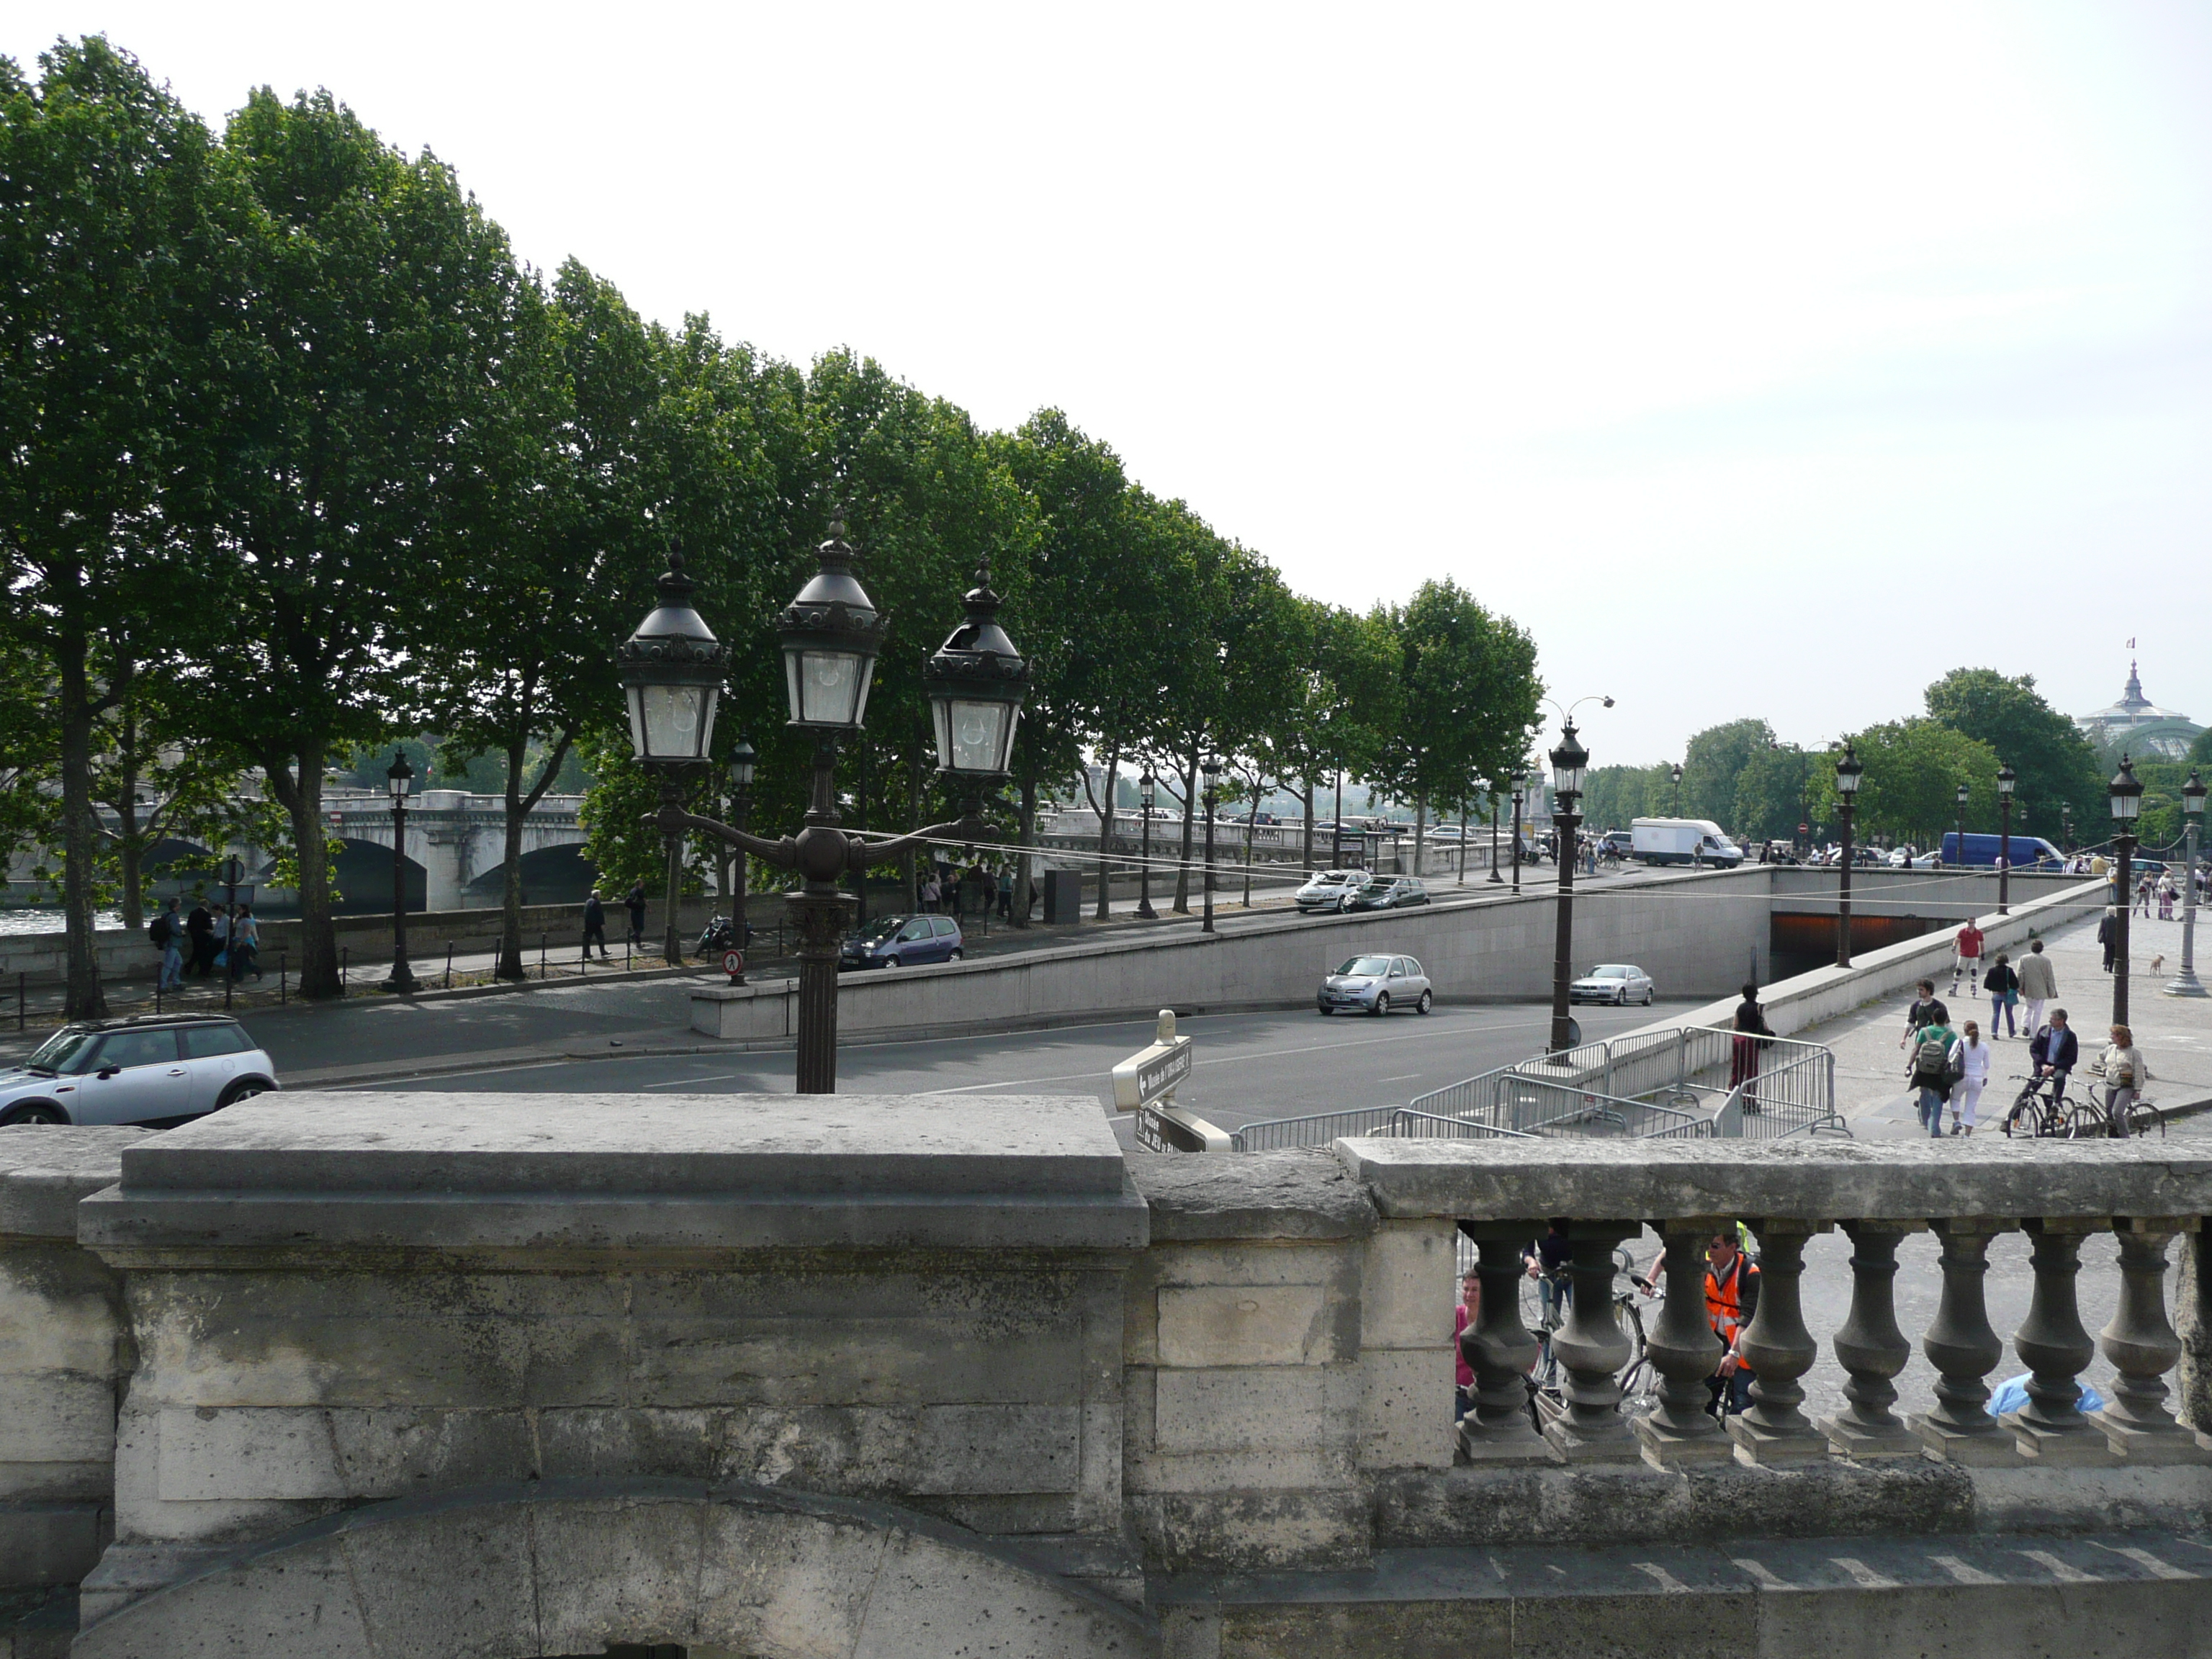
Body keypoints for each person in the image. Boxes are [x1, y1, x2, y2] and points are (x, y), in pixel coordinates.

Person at [1703, 1231, 1759, 1417]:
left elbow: (1748, 1315)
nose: (1710, 1250)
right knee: (1703, 1398)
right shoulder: (1707, 1269)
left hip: (1742, 1348)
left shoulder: (1750, 1273)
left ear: (1733, 1247)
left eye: (1715, 1246)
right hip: (1717, 1342)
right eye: (1708, 1245)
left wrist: (1734, 1353)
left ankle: (1736, 1440)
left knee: (1743, 1404)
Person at [1907, 1011, 1959, 1138]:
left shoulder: (1924, 1031)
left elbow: (1916, 1049)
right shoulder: (1951, 1035)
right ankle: (1934, 1129)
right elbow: (1954, 1055)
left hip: (1924, 1070)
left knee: (1924, 1093)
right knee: (1938, 1099)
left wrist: (1909, 1066)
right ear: (1947, 1019)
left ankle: (1925, 1121)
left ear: (1933, 1017)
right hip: (1940, 1071)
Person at [2098, 1023, 2152, 1136]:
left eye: (2114, 1034)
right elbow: (2101, 1058)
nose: (2111, 1037)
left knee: (2117, 1112)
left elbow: (2139, 1071)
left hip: (2126, 1086)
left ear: (2121, 1037)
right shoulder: (2110, 1049)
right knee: (2109, 1114)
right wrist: (2104, 1070)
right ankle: (2112, 1137)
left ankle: (2124, 1137)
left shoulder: (2134, 1053)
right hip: (2111, 1084)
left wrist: (2138, 1089)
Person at [1729, 981, 1770, 1113]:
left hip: (1737, 1039)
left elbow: (1735, 1025)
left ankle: (1733, 1097)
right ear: (1756, 994)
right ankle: (1749, 1100)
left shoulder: (1740, 1007)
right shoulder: (1759, 1008)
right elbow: (1764, 1026)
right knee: (1751, 1070)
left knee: (1737, 1068)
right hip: (1750, 1040)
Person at [1948, 1019, 1990, 1136]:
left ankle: (1956, 1121)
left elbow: (1951, 1058)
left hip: (1962, 1077)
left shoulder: (1959, 1043)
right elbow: (1986, 1065)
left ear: (1964, 1031)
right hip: (1977, 1079)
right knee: (1971, 1107)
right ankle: (1967, 1135)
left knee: (1955, 1098)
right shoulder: (1984, 1046)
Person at [2028, 1007, 2079, 1097]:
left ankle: (2055, 1103)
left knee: (2059, 1079)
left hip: (2059, 1066)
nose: (2050, 1021)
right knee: (2028, 1090)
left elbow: (2072, 1058)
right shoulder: (2044, 1031)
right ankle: (2018, 1108)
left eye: (2053, 1019)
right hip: (2043, 1064)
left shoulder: (2070, 1036)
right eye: (2050, 1018)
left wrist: (2054, 1067)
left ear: (2061, 1021)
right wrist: (2042, 1065)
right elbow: (2034, 1048)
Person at [1453, 1268, 1480, 1422]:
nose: (1469, 1295)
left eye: (1475, 1290)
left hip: (1485, 1398)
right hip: (1459, 1396)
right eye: (1466, 1289)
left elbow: (1534, 1343)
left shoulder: (1492, 1319)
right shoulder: (1455, 1316)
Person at [2016, 938, 2057, 1035]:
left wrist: (2020, 988)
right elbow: (2050, 977)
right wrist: (2051, 991)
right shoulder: (2046, 961)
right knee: (2037, 1012)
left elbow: (2020, 974)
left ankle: (2025, 1025)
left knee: (2028, 1006)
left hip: (2028, 988)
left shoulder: (2024, 959)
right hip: (2041, 989)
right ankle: (2033, 1033)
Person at [1899, 980, 1948, 1049]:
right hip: (1920, 1038)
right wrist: (1904, 1039)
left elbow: (1947, 1024)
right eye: (1918, 989)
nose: (1919, 992)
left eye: (1921, 990)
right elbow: (1910, 1023)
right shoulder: (1915, 1005)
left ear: (1929, 991)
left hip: (1937, 1040)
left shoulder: (1939, 1006)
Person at [151, 896, 186, 992]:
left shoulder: (165, 915)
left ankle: (176, 982)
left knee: (178, 962)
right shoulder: (174, 916)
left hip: (166, 942)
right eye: (179, 905)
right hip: (172, 943)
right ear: (176, 906)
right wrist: (181, 933)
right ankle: (163, 985)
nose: (180, 907)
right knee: (168, 965)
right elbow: (175, 930)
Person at [1981, 952, 2018, 1038]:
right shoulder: (2009, 971)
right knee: (2009, 1014)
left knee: (1996, 1013)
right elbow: (2016, 984)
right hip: (2007, 994)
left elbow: (1986, 985)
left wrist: (1993, 989)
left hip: (1996, 994)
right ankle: (2011, 1032)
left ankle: (1994, 1032)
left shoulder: (1991, 970)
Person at [185, 896, 217, 978]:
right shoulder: (206, 914)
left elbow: (189, 925)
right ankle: (201, 971)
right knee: (204, 954)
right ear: (206, 905)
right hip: (204, 937)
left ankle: (189, 967)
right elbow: (209, 926)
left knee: (197, 952)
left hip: (195, 936)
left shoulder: (193, 912)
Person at [1951, 920, 1984, 996]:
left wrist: (1983, 953)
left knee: (1974, 971)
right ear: (1967, 923)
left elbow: (1981, 943)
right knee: (1959, 971)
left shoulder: (1979, 933)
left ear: (1975, 923)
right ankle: (1954, 987)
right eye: (1970, 923)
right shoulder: (1963, 932)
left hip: (1974, 955)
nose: (1971, 925)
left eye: (1972, 923)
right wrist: (1954, 947)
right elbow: (1957, 940)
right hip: (1964, 954)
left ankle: (1973, 987)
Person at [229, 904, 261, 981]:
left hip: (245, 942)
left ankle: (258, 971)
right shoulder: (239, 919)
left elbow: (247, 932)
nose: (238, 910)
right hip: (238, 940)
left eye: (239, 909)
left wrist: (240, 941)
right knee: (237, 960)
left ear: (244, 910)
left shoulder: (247, 920)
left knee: (245, 960)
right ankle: (239, 977)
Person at [583, 890, 609, 959]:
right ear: (598, 895)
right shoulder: (597, 902)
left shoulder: (588, 901)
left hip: (588, 923)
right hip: (596, 924)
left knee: (587, 939)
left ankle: (586, 953)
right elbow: (600, 914)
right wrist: (602, 923)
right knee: (600, 938)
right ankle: (603, 952)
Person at [624, 882, 647, 950]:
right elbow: (644, 900)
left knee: (636, 927)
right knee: (640, 927)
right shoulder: (639, 891)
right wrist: (649, 908)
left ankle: (638, 943)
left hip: (633, 911)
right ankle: (633, 937)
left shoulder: (632, 890)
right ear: (640, 884)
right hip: (639, 911)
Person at [2098, 906, 2120, 972]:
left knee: (2107, 951)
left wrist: (2100, 938)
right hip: (2115, 939)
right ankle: (2111, 968)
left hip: (2106, 939)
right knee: (2113, 953)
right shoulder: (2117, 920)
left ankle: (2105, 965)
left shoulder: (2104, 919)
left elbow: (2101, 929)